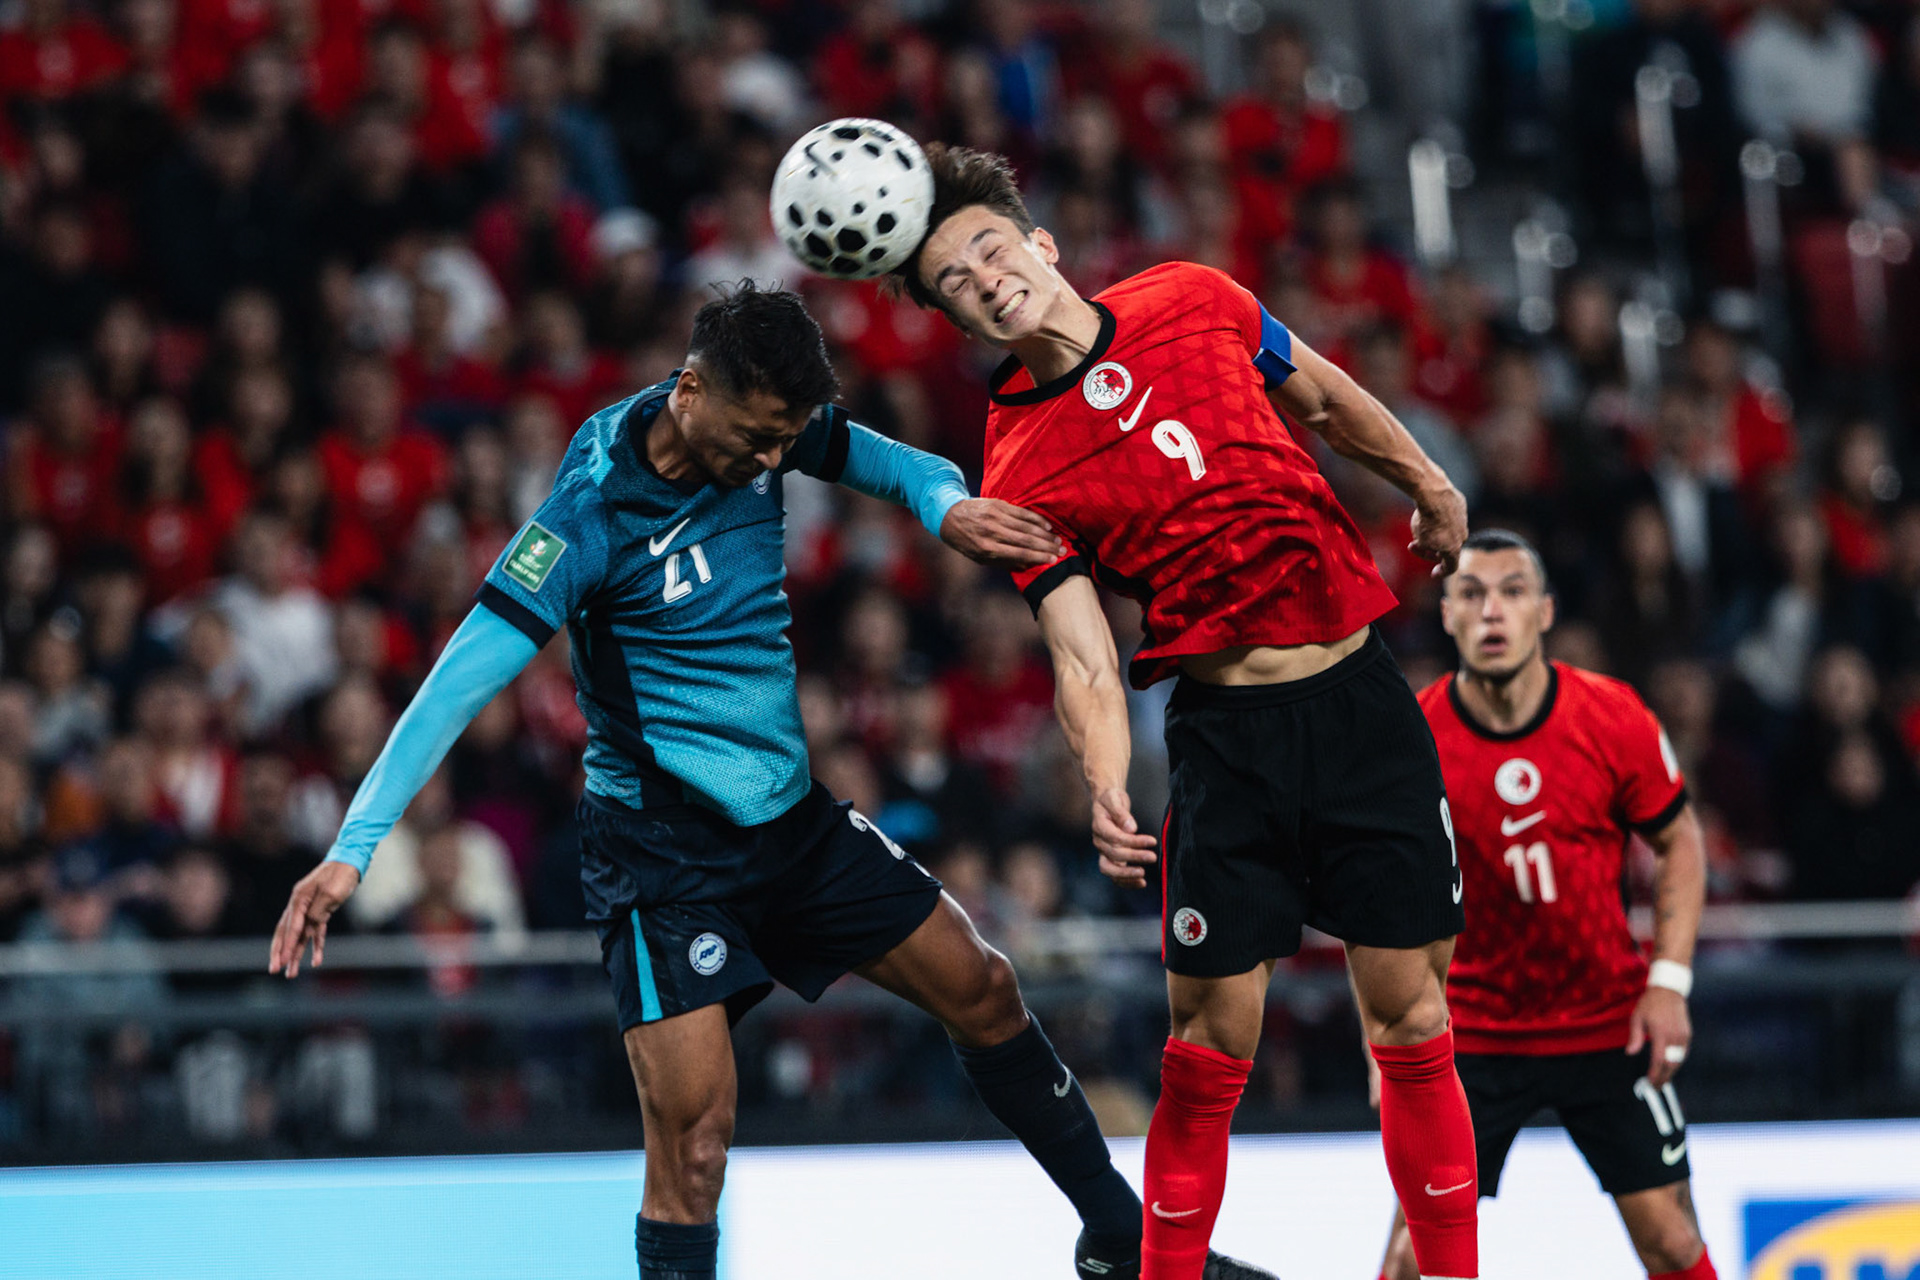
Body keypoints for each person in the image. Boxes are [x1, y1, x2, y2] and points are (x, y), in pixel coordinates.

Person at [268, 284, 1167, 1280]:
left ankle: (1124, 1241)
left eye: (790, 438)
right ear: (691, 389)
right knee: (695, 1150)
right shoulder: (587, 517)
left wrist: (946, 507)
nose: (776, 461)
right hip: (662, 861)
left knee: (987, 987)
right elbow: (454, 684)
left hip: (791, 823)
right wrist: (353, 849)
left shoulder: (767, 420)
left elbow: (907, 466)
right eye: (761, 439)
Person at [899, 146, 1475, 1280]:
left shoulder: (1194, 295)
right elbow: (1082, 652)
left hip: (1361, 704)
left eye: (989, 248)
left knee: (1410, 1021)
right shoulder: (1011, 466)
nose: (984, 277)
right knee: (1208, 1046)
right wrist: (1108, 777)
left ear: (1041, 242)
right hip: (1227, 742)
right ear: (956, 319)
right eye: (955, 280)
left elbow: (1320, 392)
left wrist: (1428, 481)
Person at [1373, 528, 1716, 1280]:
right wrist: (1386, 1034)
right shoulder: (1413, 739)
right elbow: (1380, 897)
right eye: (1471, 593)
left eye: (1512, 592)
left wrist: (1669, 982)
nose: (1492, 611)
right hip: (1470, 1034)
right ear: (1448, 616)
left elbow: (1680, 843)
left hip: (1605, 1020)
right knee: (1409, 1255)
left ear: (1546, 612)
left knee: (1670, 1239)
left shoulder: (1612, 716)